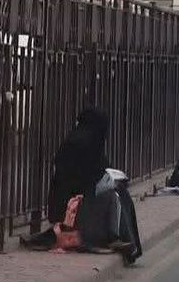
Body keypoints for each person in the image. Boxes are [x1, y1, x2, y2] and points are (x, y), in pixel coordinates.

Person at [41, 108, 141, 263]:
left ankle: (124, 240)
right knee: (112, 196)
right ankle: (116, 238)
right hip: (69, 208)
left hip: (84, 200)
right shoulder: (76, 146)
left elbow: (101, 170)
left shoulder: (91, 145)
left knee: (119, 192)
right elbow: (74, 183)